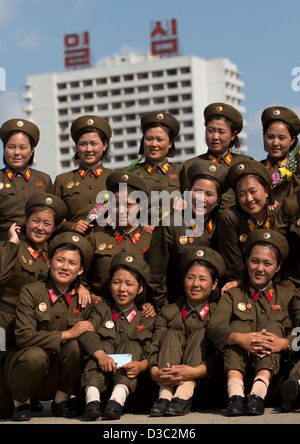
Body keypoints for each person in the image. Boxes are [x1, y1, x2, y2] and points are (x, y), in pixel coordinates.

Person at [3, 232, 94, 421]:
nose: (65, 267)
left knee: (77, 347)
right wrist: (67, 334)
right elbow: (24, 337)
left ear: (80, 270)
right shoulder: (31, 292)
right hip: (24, 368)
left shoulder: (83, 299)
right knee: (35, 355)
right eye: (60, 260)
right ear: (49, 262)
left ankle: (61, 401)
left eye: (72, 263)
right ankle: (21, 404)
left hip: (54, 372)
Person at [207, 229, 297, 416]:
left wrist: (285, 343)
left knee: (272, 328)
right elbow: (215, 327)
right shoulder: (233, 294)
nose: (259, 268)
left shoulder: (288, 296)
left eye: (267, 263)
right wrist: (239, 339)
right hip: (234, 379)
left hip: (272, 382)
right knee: (236, 329)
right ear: (247, 261)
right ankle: (236, 394)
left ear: (278, 267)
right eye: (254, 261)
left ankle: (258, 393)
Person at [148, 247, 225, 417]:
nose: (195, 284)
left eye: (203, 279)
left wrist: (197, 371)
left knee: (200, 334)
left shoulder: (219, 312)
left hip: (206, 384)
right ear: (184, 280)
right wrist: (154, 371)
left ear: (214, 284)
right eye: (190, 277)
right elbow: (154, 345)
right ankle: (165, 396)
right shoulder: (168, 312)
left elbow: (223, 352)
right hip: (166, 382)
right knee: (170, 335)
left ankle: (184, 394)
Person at [79, 253, 155, 420]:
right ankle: (92, 402)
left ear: (140, 288)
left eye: (129, 284)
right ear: (109, 285)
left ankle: (117, 400)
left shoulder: (146, 316)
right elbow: (85, 332)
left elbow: (153, 348)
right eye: (116, 282)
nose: (122, 289)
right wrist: (101, 357)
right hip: (100, 387)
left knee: (132, 346)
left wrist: (142, 365)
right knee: (99, 347)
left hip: (132, 390)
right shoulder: (101, 309)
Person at [147, 160, 227, 311]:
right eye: (197, 191)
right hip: (177, 307)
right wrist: (165, 311)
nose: (201, 199)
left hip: (216, 309)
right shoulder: (170, 225)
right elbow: (155, 277)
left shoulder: (224, 224)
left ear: (217, 201)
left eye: (209, 194)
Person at [0, 193, 67, 349]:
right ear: (26, 221)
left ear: (54, 228)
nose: (40, 228)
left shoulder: (52, 254)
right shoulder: (10, 246)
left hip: (34, 328)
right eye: (35, 221)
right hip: (5, 323)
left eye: (47, 224)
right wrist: (12, 243)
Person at [88, 171, 152, 303]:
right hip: (100, 312)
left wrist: (150, 304)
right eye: (116, 205)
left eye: (128, 205)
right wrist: (89, 295)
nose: (121, 210)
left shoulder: (151, 241)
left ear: (141, 206)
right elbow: (81, 277)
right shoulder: (96, 239)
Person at [217, 159, 279, 293]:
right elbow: (234, 262)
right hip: (245, 283)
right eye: (241, 194)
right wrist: (239, 280)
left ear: (266, 191)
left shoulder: (278, 213)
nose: (249, 199)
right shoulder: (230, 218)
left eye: (253, 191)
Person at [181, 102, 251, 208]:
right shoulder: (191, 165)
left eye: (221, 132)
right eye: (211, 130)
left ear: (233, 135)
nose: (215, 137)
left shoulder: (245, 163)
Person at [54, 115, 113, 235]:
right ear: (76, 146)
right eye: (83, 144)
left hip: (108, 245)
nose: (88, 149)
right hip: (73, 245)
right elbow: (51, 217)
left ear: (104, 145)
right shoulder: (63, 180)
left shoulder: (115, 178)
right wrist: (71, 226)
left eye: (94, 143)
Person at [0, 119, 53, 240]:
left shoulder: (44, 179)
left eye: (22, 147)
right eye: (11, 147)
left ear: (32, 150)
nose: (16, 152)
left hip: (38, 246)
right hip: (4, 247)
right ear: (4, 148)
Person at [261, 106, 300, 203]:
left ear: (292, 140)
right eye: (270, 137)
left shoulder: (297, 168)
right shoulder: (256, 168)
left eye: (281, 138)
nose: (275, 143)